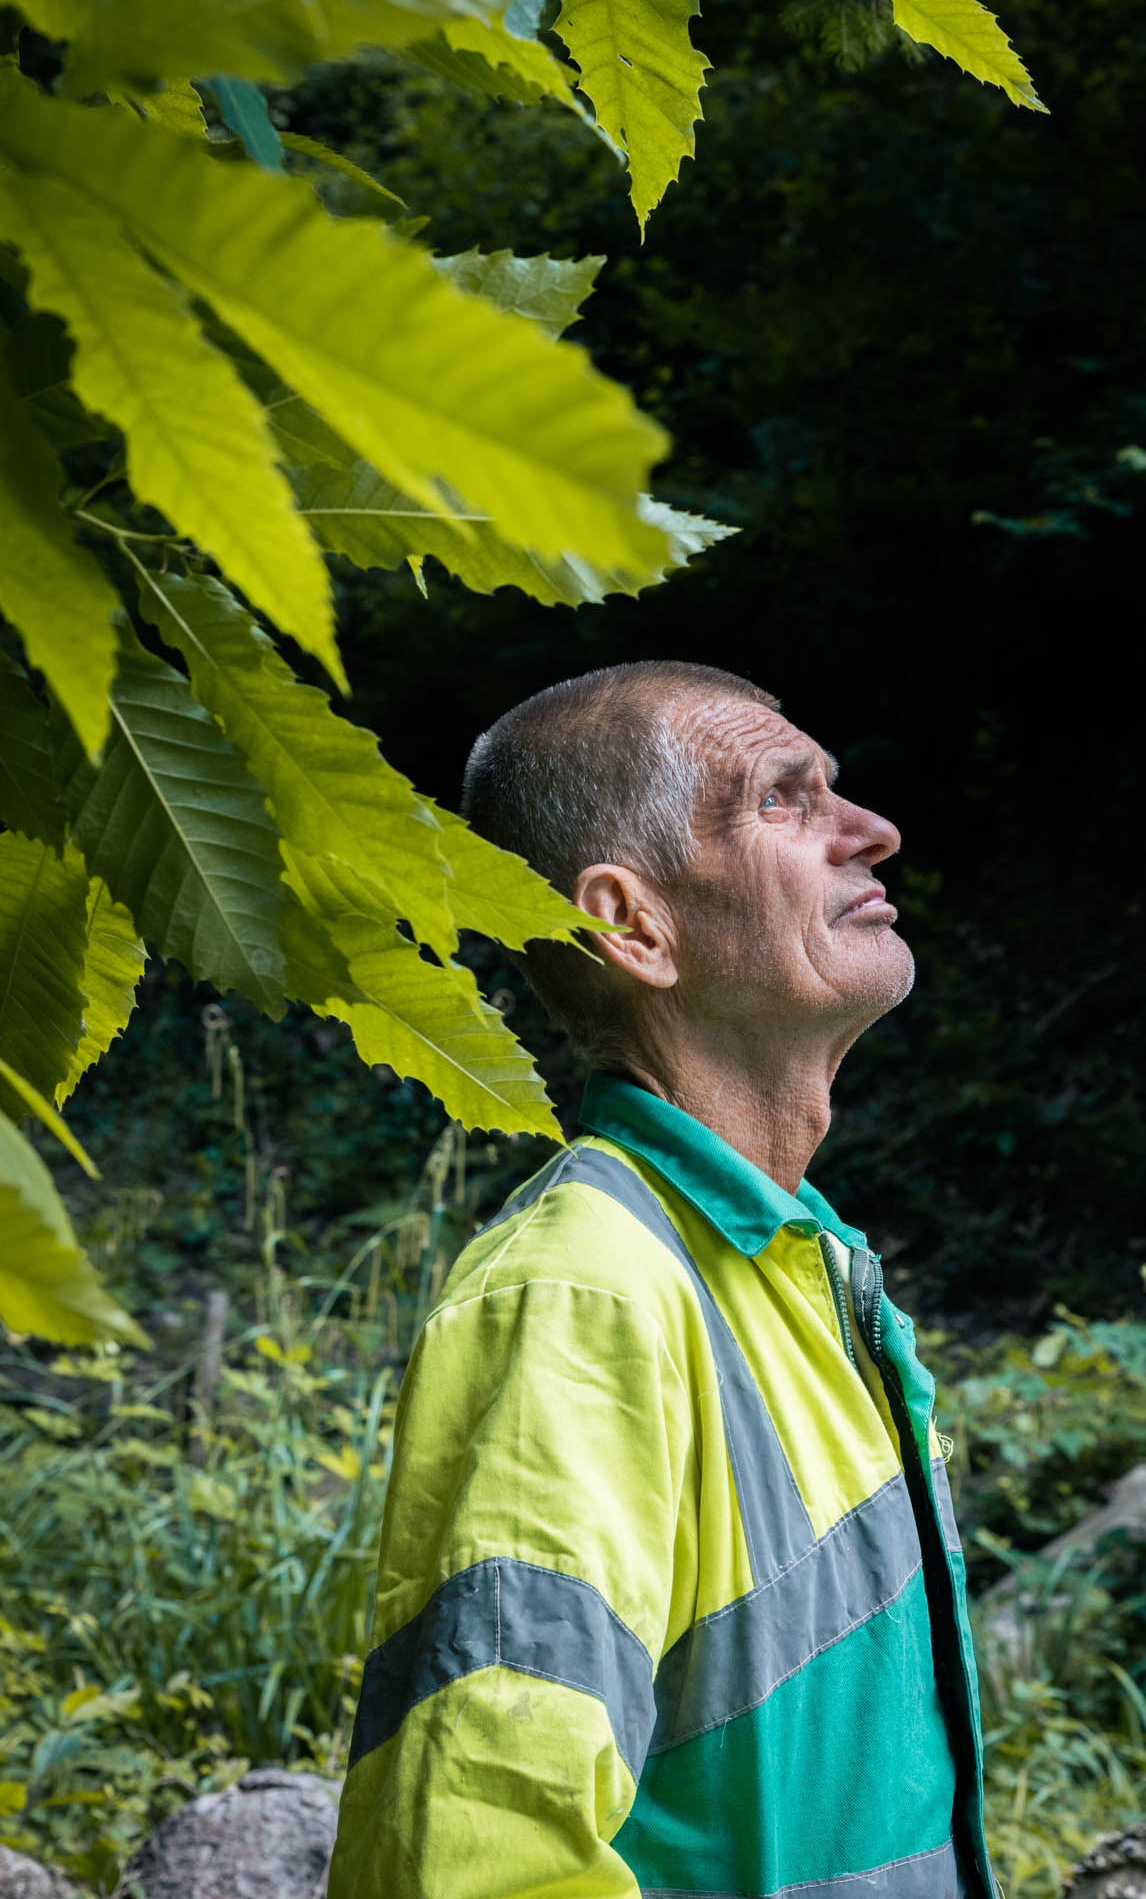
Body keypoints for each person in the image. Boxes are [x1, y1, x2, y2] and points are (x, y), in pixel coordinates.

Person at [329, 662, 994, 1899]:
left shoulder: (802, 1271)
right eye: (784, 801)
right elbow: (478, 1860)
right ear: (631, 924)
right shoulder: (583, 1293)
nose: (872, 831)